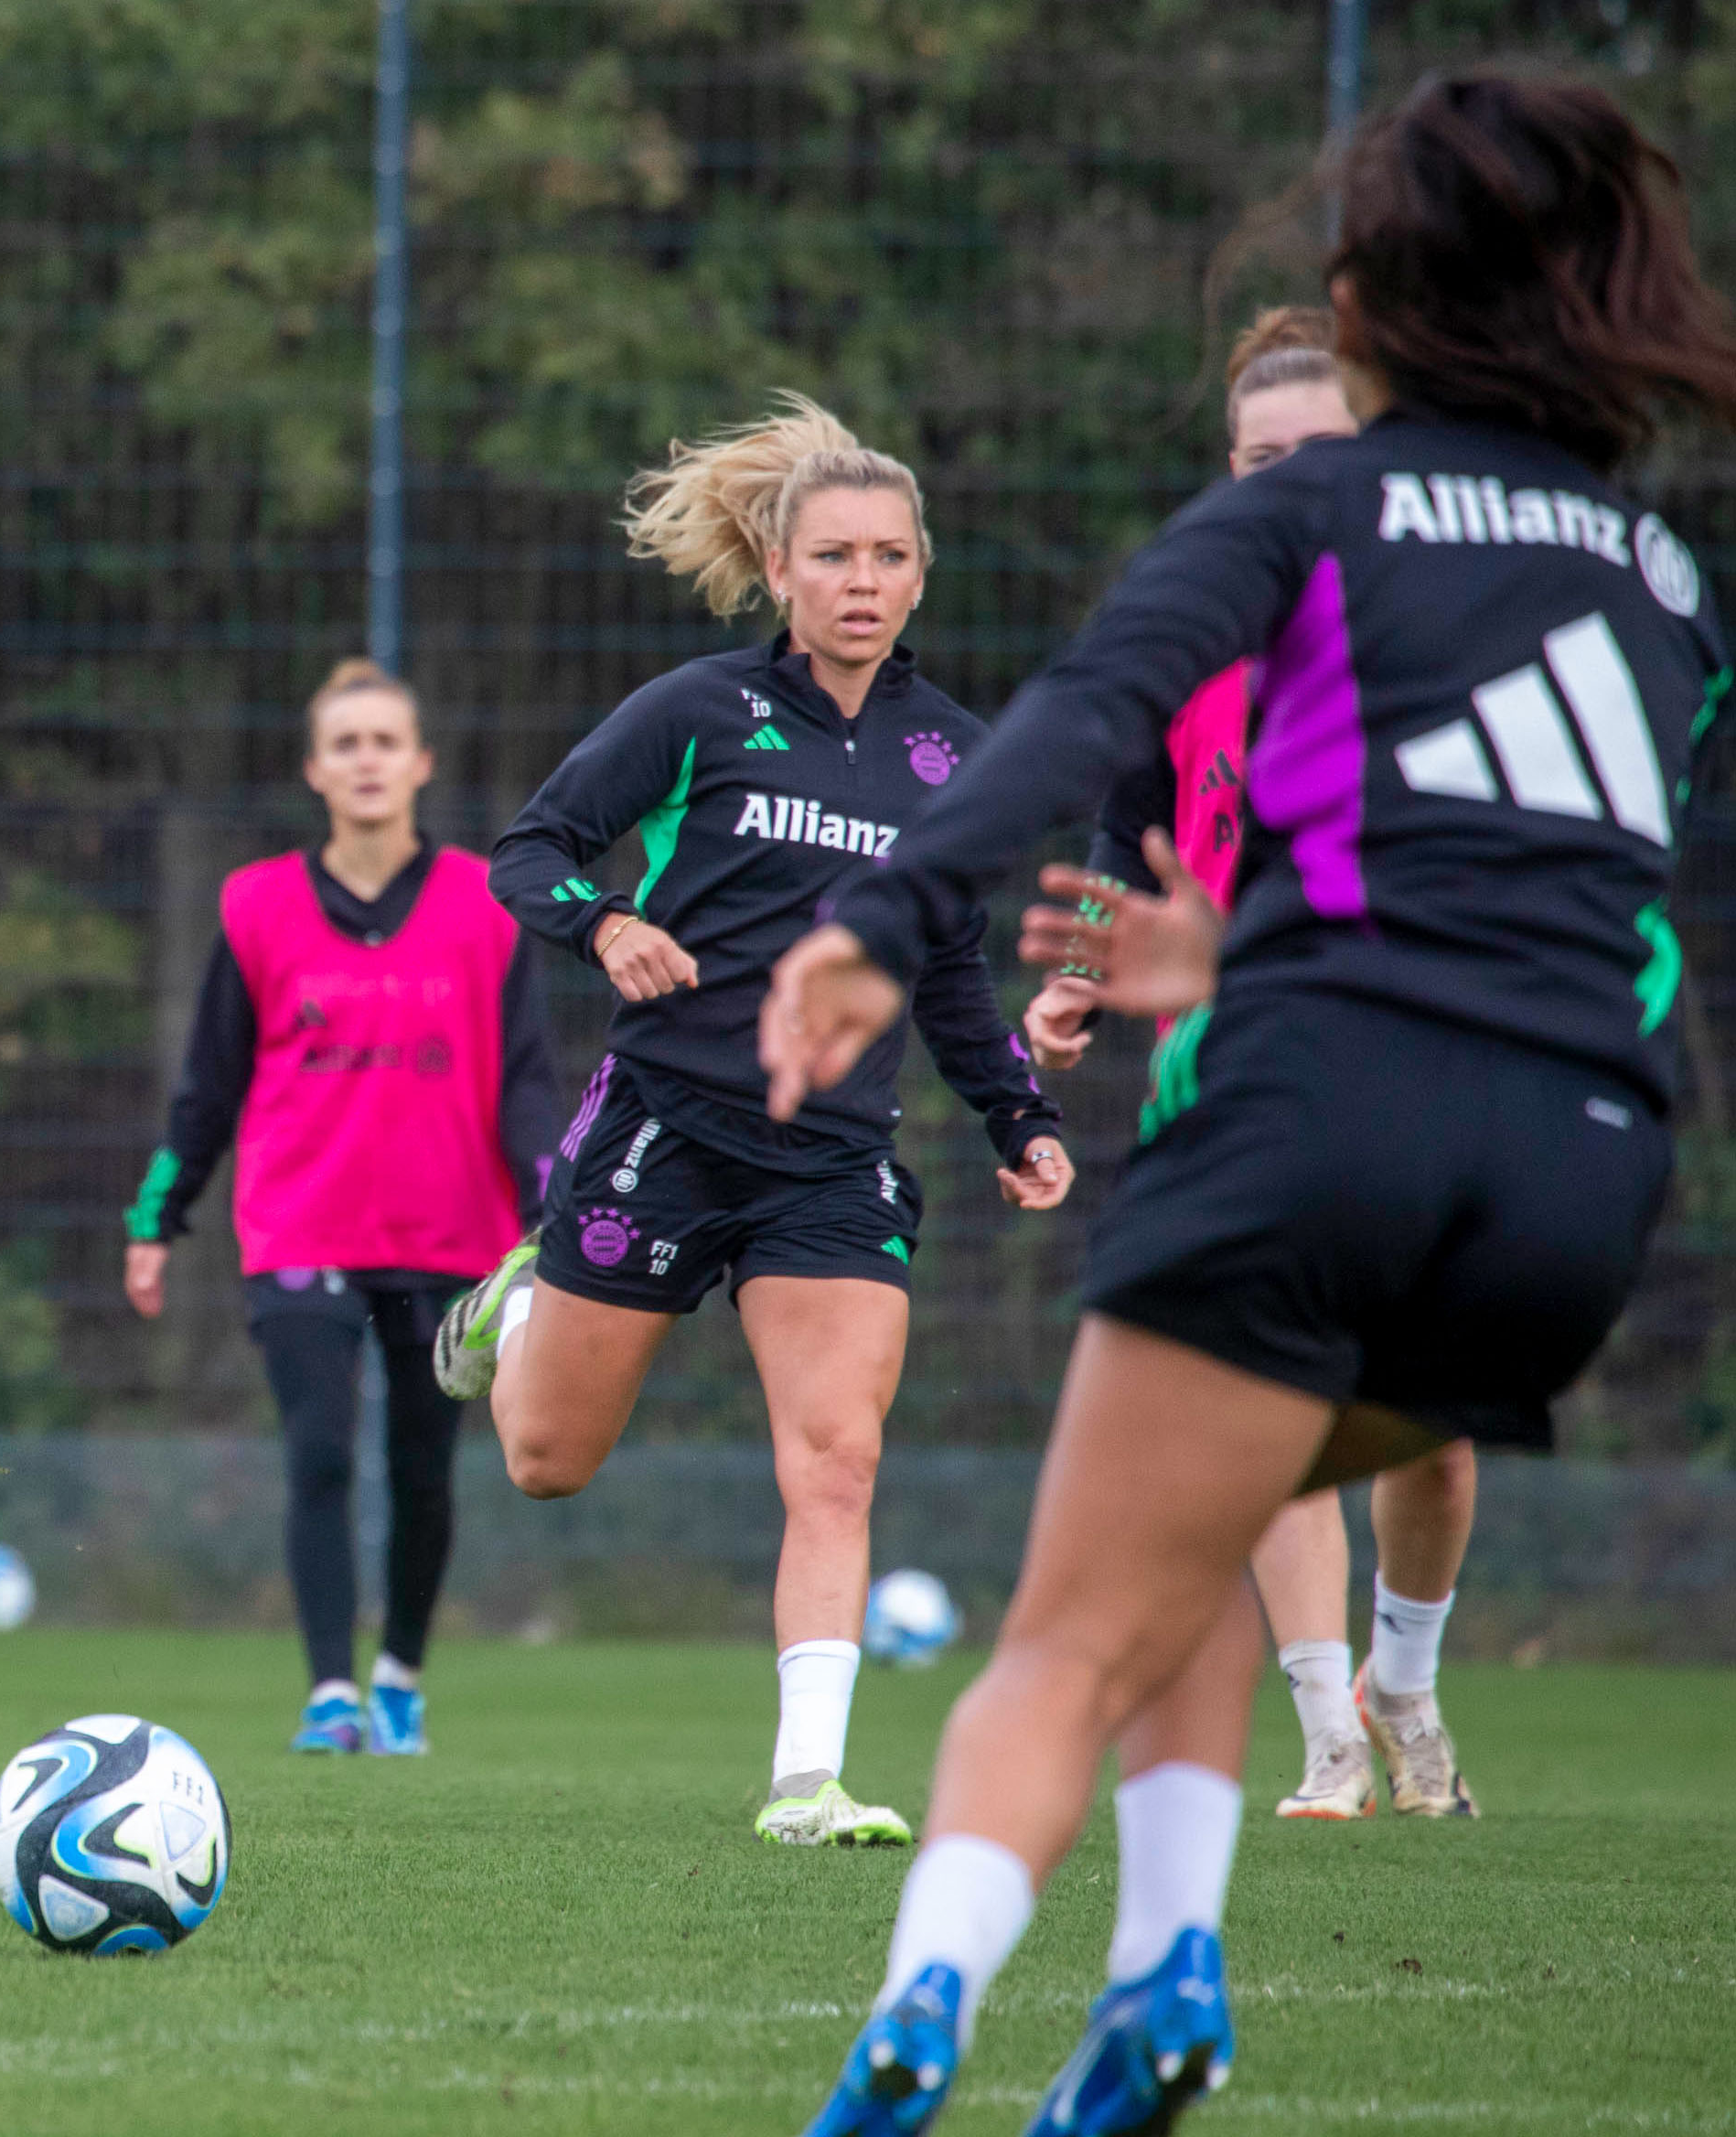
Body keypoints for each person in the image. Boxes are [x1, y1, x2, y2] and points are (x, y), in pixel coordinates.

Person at [767, 72, 1736, 2134]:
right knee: (1209, 1513)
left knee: (1053, 1636)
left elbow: (1075, 725)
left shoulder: (1310, 507)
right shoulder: (1661, 579)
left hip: (1324, 1117)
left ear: (1373, 300)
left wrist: (877, 923)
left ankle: (918, 2004)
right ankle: (1165, 1971)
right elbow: (1558, 868)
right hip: (1579, 1182)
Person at [434, 395, 1073, 1847]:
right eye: (833, 554)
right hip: (661, 1122)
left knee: (834, 1456)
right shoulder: (692, 713)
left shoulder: (954, 758)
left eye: (888, 556)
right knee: (545, 1461)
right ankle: (514, 1309)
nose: (861, 581)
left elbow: (951, 966)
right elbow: (520, 852)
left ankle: (804, 1782)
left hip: (832, 1162)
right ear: (776, 569)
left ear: (920, 575)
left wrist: (1011, 1114)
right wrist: (601, 930)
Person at [1023, 306, 1484, 1825]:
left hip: (1416, 1044)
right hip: (1226, 1059)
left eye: (1320, 457)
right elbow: (1126, 814)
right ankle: (1329, 1739)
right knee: (1258, 1406)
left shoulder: (1456, 628)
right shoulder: (1193, 625)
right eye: (1259, 459)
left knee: (1426, 1426)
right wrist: (1090, 960)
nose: (1286, 483)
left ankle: (1401, 1682)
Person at [123, 660, 557, 1757]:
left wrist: (554, 1213)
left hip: (451, 1236)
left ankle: (399, 1673)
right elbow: (208, 1083)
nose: (366, 759)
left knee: (421, 1468)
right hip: (298, 1227)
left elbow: (526, 1081)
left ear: (419, 763)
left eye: (384, 740)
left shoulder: (485, 908)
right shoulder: (255, 903)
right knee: (317, 1454)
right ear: (315, 769)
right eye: (345, 742)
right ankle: (328, 1692)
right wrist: (154, 1217)